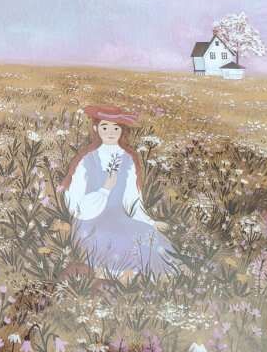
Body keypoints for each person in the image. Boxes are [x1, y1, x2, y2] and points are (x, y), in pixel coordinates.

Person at [60, 105, 179, 275]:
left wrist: (151, 223)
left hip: (120, 218)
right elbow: (75, 204)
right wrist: (104, 190)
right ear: (96, 129)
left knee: (150, 237)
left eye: (115, 128)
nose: (110, 132)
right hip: (90, 222)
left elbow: (133, 200)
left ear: (122, 131)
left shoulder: (129, 159)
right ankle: (117, 274)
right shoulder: (86, 159)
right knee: (117, 240)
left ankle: (151, 278)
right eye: (105, 127)